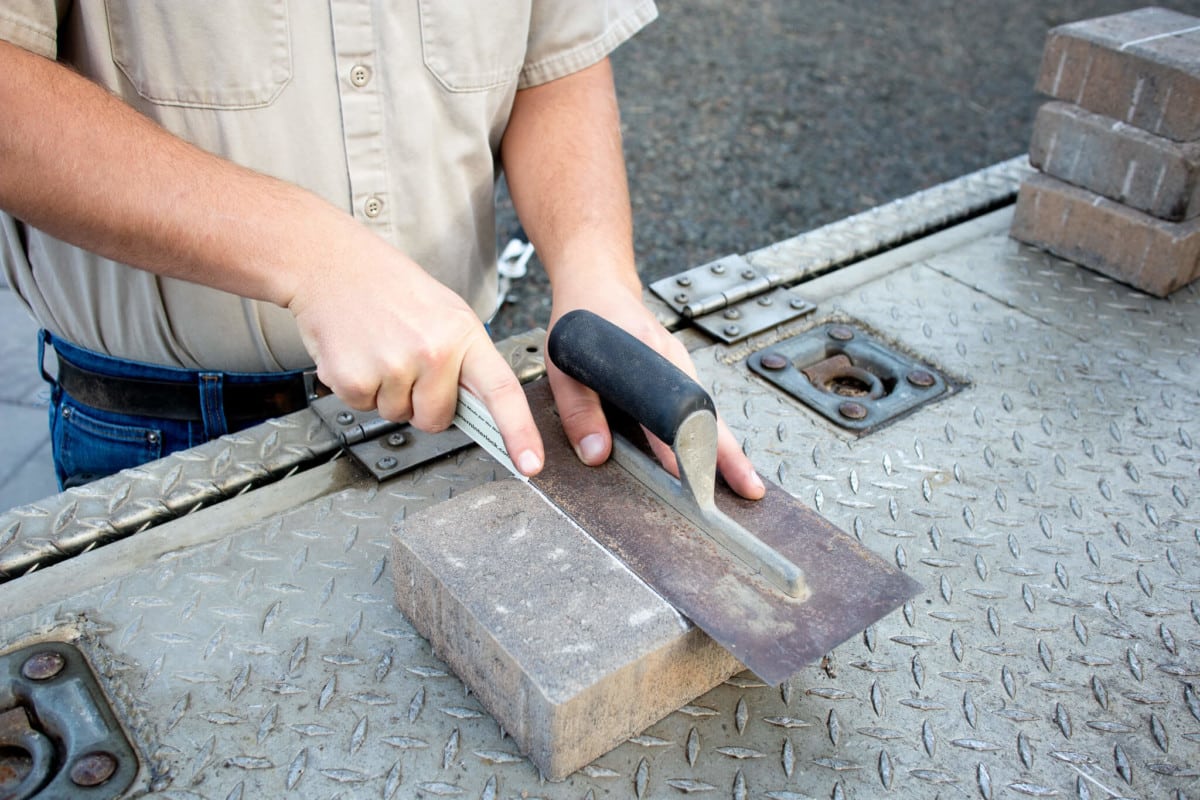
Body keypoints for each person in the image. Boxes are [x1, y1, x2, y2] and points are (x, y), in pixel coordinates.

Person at [0, 3, 764, 501]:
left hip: (461, 400)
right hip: (170, 430)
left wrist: (596, 275)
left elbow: (556, 59)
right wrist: (314, 256)